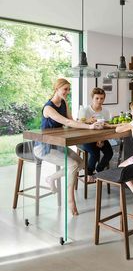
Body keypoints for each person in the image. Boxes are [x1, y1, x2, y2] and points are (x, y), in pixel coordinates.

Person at [33, 78, 102, 216]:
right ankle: (70, 200)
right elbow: (66, 121)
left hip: (58, 145)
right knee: (72, 165)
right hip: (44, 147)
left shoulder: (63, 102)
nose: (68, 92)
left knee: (81, 163)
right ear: (56, 88)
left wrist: (87, 121)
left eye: (69, 89)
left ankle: (51, 178)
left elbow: (71, 119)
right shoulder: (48, 108)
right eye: (65, 89)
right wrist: (89, 126)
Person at [81, 88, 113, 182]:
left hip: (101, 137)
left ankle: (99, 170)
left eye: (102, 98)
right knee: (95, 154)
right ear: (92, 98)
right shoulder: (85, 110)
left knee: (109, 153)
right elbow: (78, 123)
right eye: (97, 98)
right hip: (87, 138)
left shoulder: (106, 111)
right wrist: (87, 121)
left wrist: (101, 140)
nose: (99, 101)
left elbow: (106, 127)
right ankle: (89, 174)